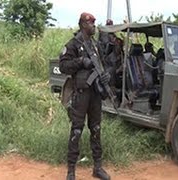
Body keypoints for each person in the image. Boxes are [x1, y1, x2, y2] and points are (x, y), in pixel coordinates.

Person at [59, 12, 111, 180]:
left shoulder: (95, 45)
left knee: (96, 129)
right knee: (76, 130)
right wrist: (81, 62)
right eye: (91, 23)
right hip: (81, 94)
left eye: (94, 23)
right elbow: (63, 66)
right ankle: (71, 171)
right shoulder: (73, 44)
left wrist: (106, 75)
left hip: (95, 94)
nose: (94, 26)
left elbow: (103, 65)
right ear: (82, 25)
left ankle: (97, 167)